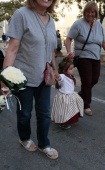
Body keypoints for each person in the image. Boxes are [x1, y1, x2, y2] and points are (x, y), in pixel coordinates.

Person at [1, 0, 59, 159]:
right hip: (23, 77)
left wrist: (55, 69)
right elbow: (12, 50)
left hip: (44, 78)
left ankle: (44, 144)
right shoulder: (21, 15)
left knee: (45, 113)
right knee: (25, 113)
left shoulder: (51, 20)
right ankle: (24, 138)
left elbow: (51, 51)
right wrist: (5, 79)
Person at [65, 1, 105, 116]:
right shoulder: (78, 24)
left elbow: (103, 43)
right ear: (84, 12)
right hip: (83, 57)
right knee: (87, 81)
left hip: (95, 57)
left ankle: (79, 95)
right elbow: (68, 39)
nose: (90, 14)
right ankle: (86, 105)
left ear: (96, 13)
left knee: (94, 80)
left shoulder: (98, 25)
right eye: (88, 12)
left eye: (92, 12)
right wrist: (69, 52)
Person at [51, 57, 84, 129]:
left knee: (73, 107)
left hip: (70, 95)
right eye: (70, 69)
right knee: (64, 110)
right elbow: (59, 78)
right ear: (64, 70)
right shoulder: (62, 76)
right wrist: (57, 76)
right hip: (64, 96)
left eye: (72, 68)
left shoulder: (70, 76)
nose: (72, 70)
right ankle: (63, 122)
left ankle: (68, 120)